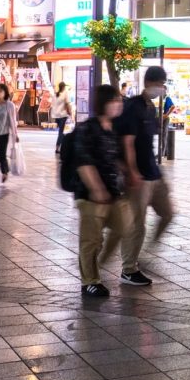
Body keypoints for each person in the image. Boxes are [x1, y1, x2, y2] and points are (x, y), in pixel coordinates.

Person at [65, 85, 136, 297]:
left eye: (120, 100)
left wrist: (127, 171)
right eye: (115, 100)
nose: (119, 104)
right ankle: (90, 282)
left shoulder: (110, 128)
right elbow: (84, 161)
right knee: (90, 240)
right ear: (103, 103)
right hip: (89, 196)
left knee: (125, 227)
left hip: (112, 193)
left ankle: (100, 262)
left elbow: (111, 157)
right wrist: (96, 188)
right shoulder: (88, 128)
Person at [105, 65, 172, 284]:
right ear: (151, 83)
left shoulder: (149, 106)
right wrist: (131, 171)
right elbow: (128, 142)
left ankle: (145, 255)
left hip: (153, 172)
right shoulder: (133, 107)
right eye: (161, 84)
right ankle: (129, 269)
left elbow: (147, 143)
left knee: (168, 213)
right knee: (137, 224)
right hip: (139, 176)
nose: (162, 88)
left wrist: (159, 174)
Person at [51, 82, 74, 153]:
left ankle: (61, 147)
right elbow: (67, 104)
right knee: (61, 132)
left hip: (56, 116)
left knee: (61, 132)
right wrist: (70, 113)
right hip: (63, 115)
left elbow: (53, 105)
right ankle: (58, 148)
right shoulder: (65, 93)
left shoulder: (55, 94)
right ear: (63, 87)